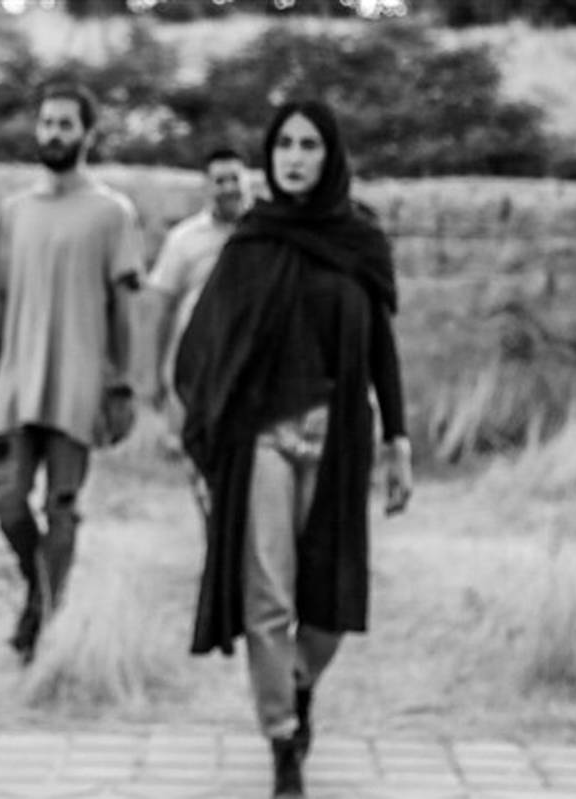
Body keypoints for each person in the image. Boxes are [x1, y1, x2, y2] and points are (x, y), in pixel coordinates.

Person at [174, 100, 413, 799]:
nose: (296, 157)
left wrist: (399, 439)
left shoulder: (359, 239)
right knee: (269, 598)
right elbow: (205, 344)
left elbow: (381, 348)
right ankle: (282, 739)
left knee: (332, 603)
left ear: (330, 155)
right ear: (269, 156)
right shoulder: (253, 241)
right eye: (285, 145)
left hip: (339, 438)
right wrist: (207, 433)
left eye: (310, 145)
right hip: (264, 441)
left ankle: (299, 682)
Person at [0, 81, 143, 664]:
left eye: (65, 124)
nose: (52, 133)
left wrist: (121, 384)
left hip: (78, 386)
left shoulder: (112, 213)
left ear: (87, 134)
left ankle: (41, 621)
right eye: (46, 122)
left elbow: (123, 309)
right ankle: (42, 591)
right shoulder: (13, 213)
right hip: (16, 385)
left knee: (63, 508)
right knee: (8, 502)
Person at [145, 146, 250, 509]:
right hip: (198, 372)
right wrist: (156, 373)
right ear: (206, 187)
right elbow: (163, 309)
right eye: (219, 180)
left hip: (251, 371)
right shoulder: (184, 240)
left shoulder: (264, 234)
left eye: (235, 178)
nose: (228, 187)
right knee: (204, 469)